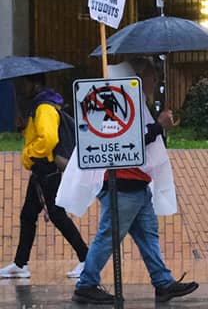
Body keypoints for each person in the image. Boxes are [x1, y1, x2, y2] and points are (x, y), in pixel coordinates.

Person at [58, 59, 198, 305]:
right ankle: (86, 284)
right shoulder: (125, 102)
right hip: (123, 183)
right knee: (108, 236)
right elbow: (131, 142)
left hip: (135, 184)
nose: (156, 82)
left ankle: (163, 282)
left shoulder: (133, 102)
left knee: (147, 235)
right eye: (153, 77)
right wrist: (159, 126)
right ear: (139, 78)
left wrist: (158, 125)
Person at [0, 73, 88, 280]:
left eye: (25, 83)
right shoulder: (39, 107)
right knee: (28, 215)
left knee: (56, 214)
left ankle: (86, 258)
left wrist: (29, 154)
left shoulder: (44, 108)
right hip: (42, 171)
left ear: (36, 84)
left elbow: (48, 138)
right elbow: (39, 134)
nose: (22, 87)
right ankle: (20, 264)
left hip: (47, 170)